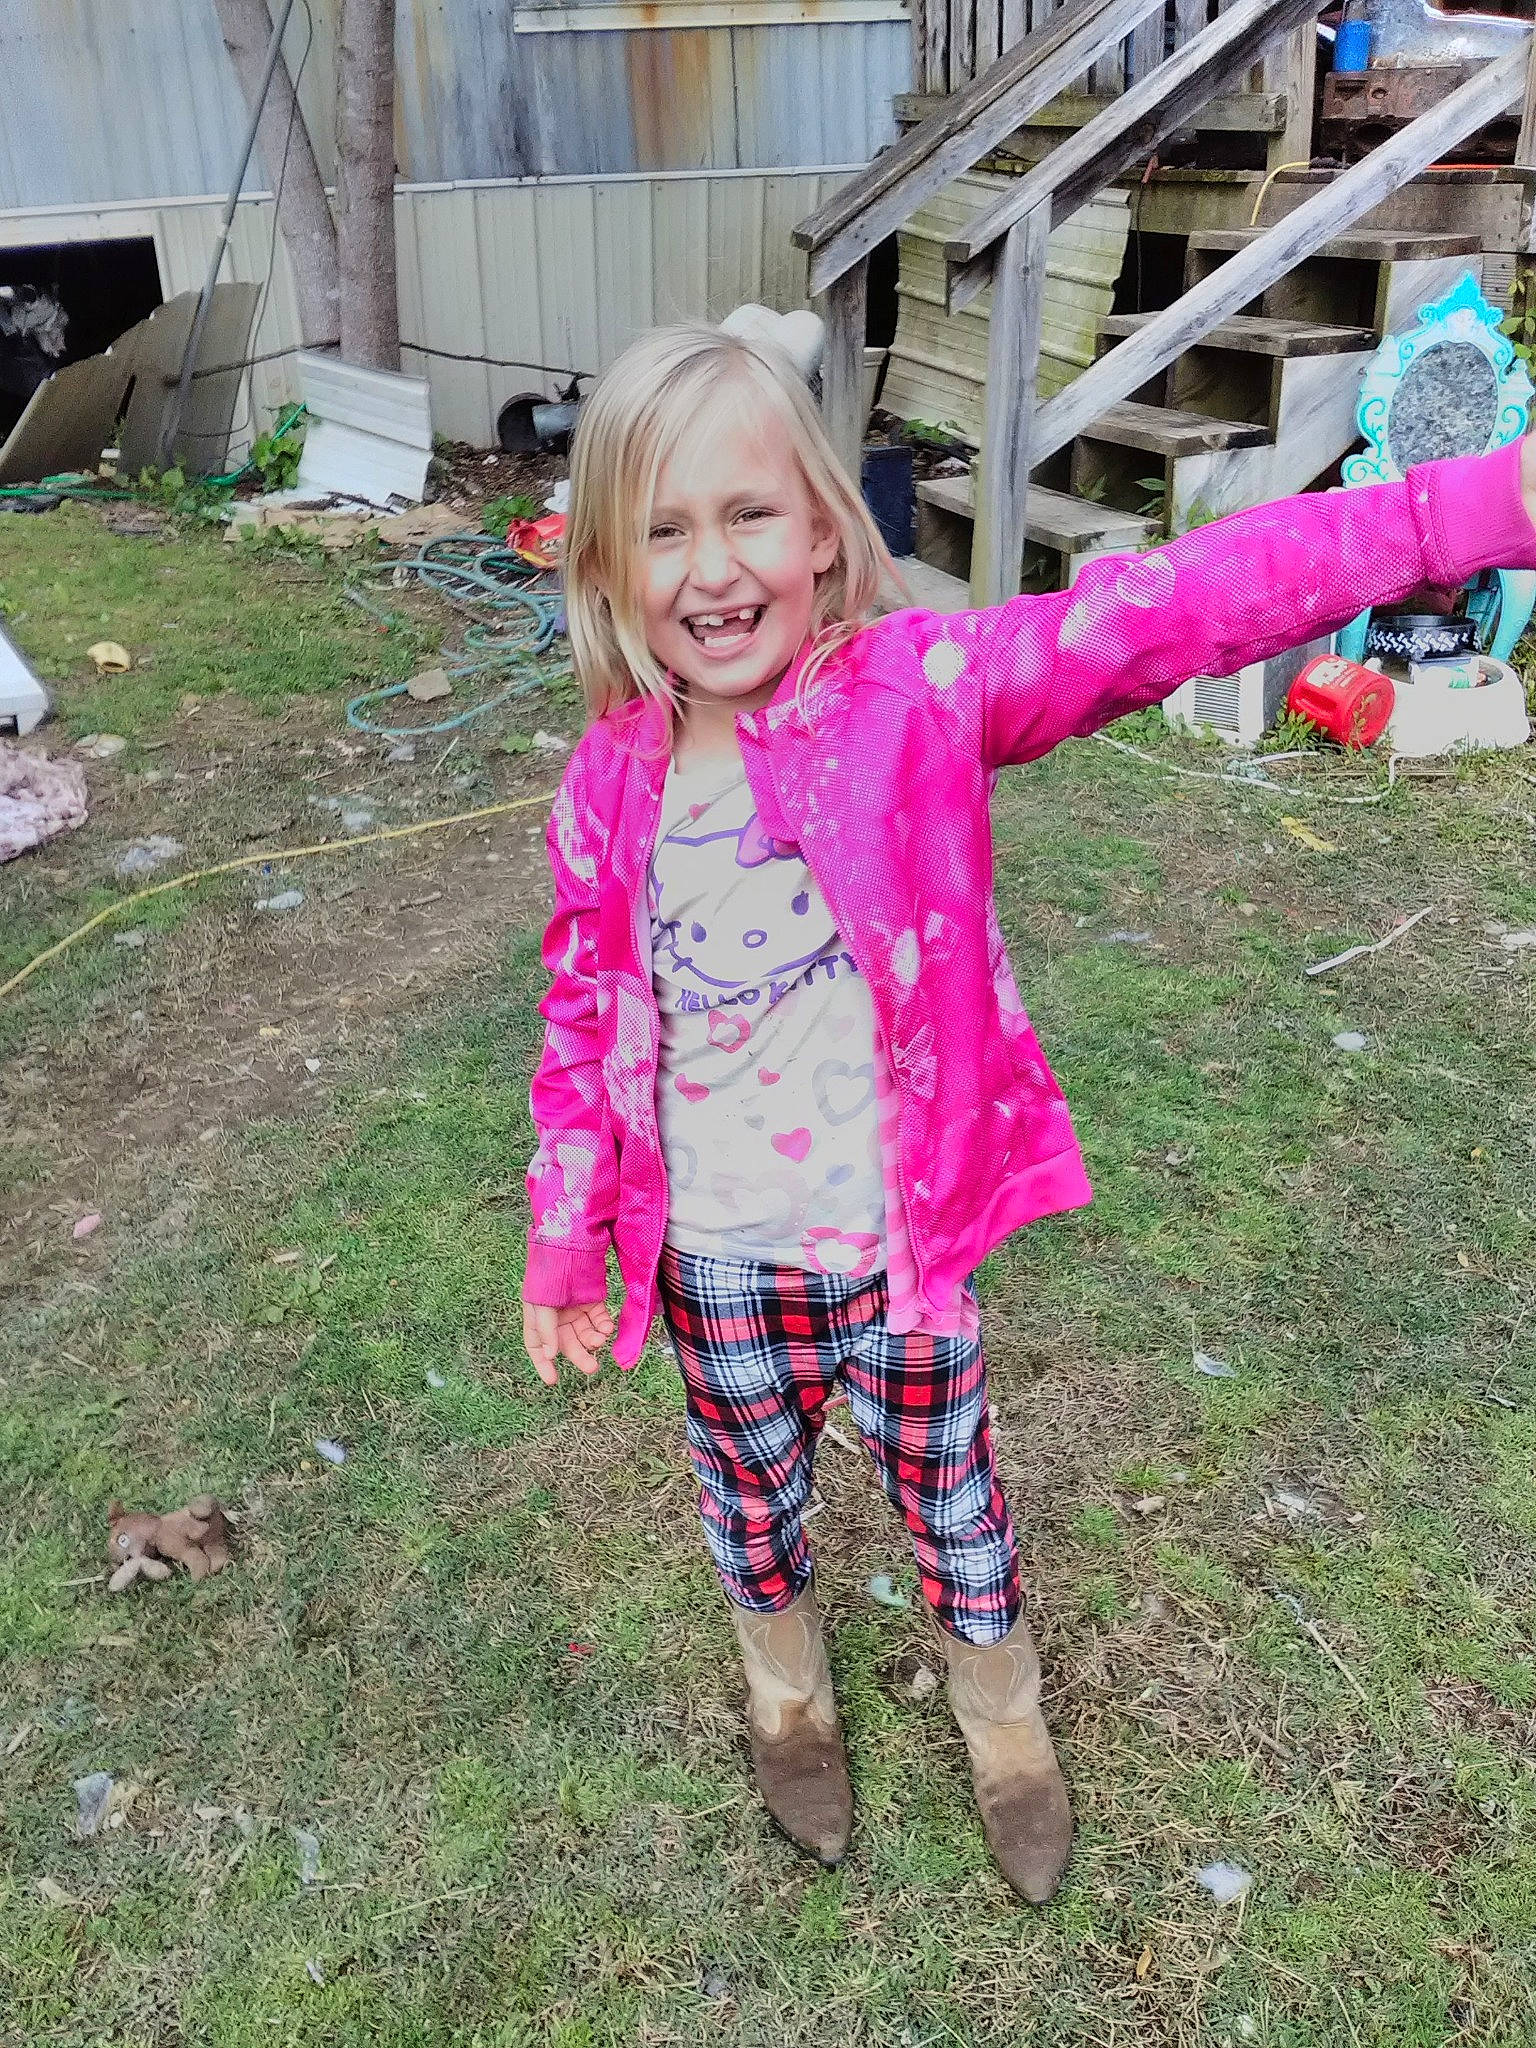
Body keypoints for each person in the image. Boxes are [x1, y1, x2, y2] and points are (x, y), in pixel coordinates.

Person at [521, 320, 1536, 1902]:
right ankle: (786, 1701)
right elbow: (581, 1017)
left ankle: (1006, 1730)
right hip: (713, 1259)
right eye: (662, 530)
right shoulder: (611, 783)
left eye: (749, 516)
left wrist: (1478, 508)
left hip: (901, 1255)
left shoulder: (920, 695)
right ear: (604, 562)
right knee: (751, 1505)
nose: (712, 570)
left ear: (823, 526)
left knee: (957, 1506)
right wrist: (563, 1242)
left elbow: (1180, 608)